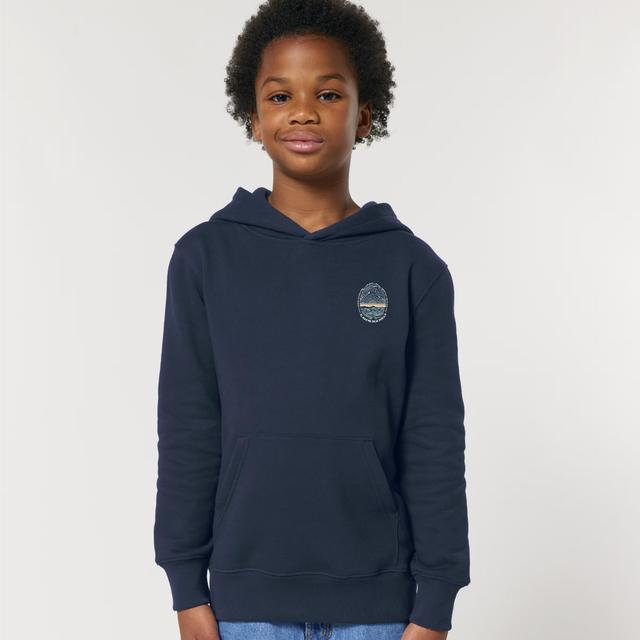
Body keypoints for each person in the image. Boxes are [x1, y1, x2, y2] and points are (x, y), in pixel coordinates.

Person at [153, 1, 471, 639]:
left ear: (365, 116)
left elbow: (434, 442)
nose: (302, 111)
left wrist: (435, 605)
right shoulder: (204, 259)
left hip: (380, 614)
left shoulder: (413, 268)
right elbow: (188, 429)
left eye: (328, 93)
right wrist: (186, 588)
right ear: (254, 118)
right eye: (280, 96)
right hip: (242, 610)